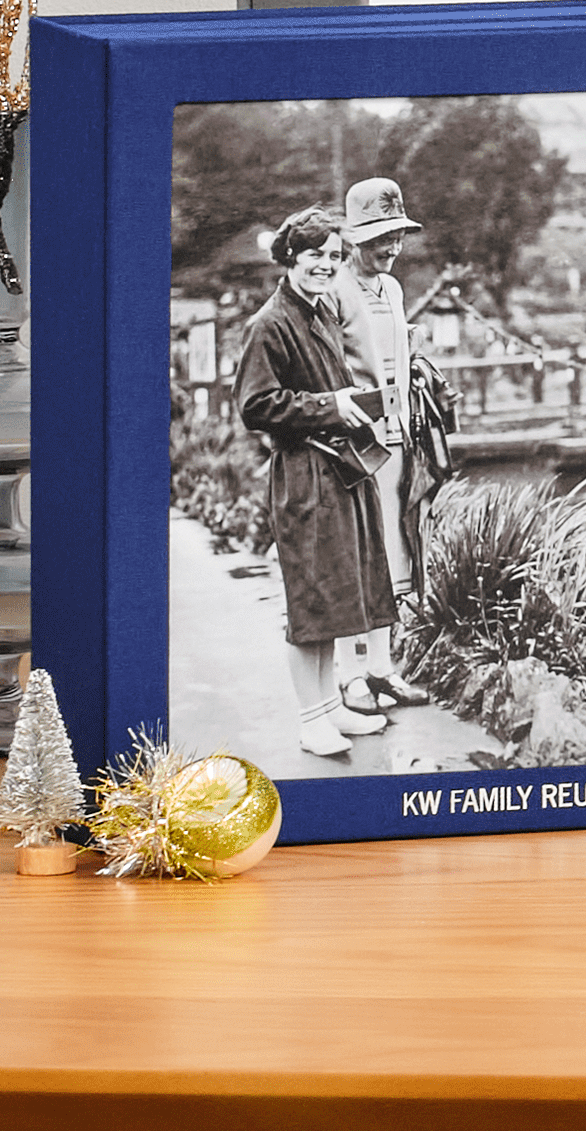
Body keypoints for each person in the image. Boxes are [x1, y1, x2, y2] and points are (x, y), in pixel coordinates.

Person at [227, 211, 401, 763]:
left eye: (332, 256)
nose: (325, 265)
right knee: (312, 600)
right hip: (303, 474)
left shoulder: (320, 310)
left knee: (339, 593)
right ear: (289, 258)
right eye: (314, 256)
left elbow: (333, 384)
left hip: (338, 467)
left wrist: (357, 406)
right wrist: (333, 406)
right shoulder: (270, 323)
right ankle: (310, 720)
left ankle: (331, 707)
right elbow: (255, 406)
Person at [325, 177, 458, 731]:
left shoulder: (394, 289)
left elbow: (392, 350)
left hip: (399, 438)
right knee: (357, 555)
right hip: (356, 446)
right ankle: (349, 674)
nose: (391, 246)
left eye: (398, 234)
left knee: (395, 553)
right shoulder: (334, 288)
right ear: (355, 237)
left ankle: (382, 667)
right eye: (381, 236)